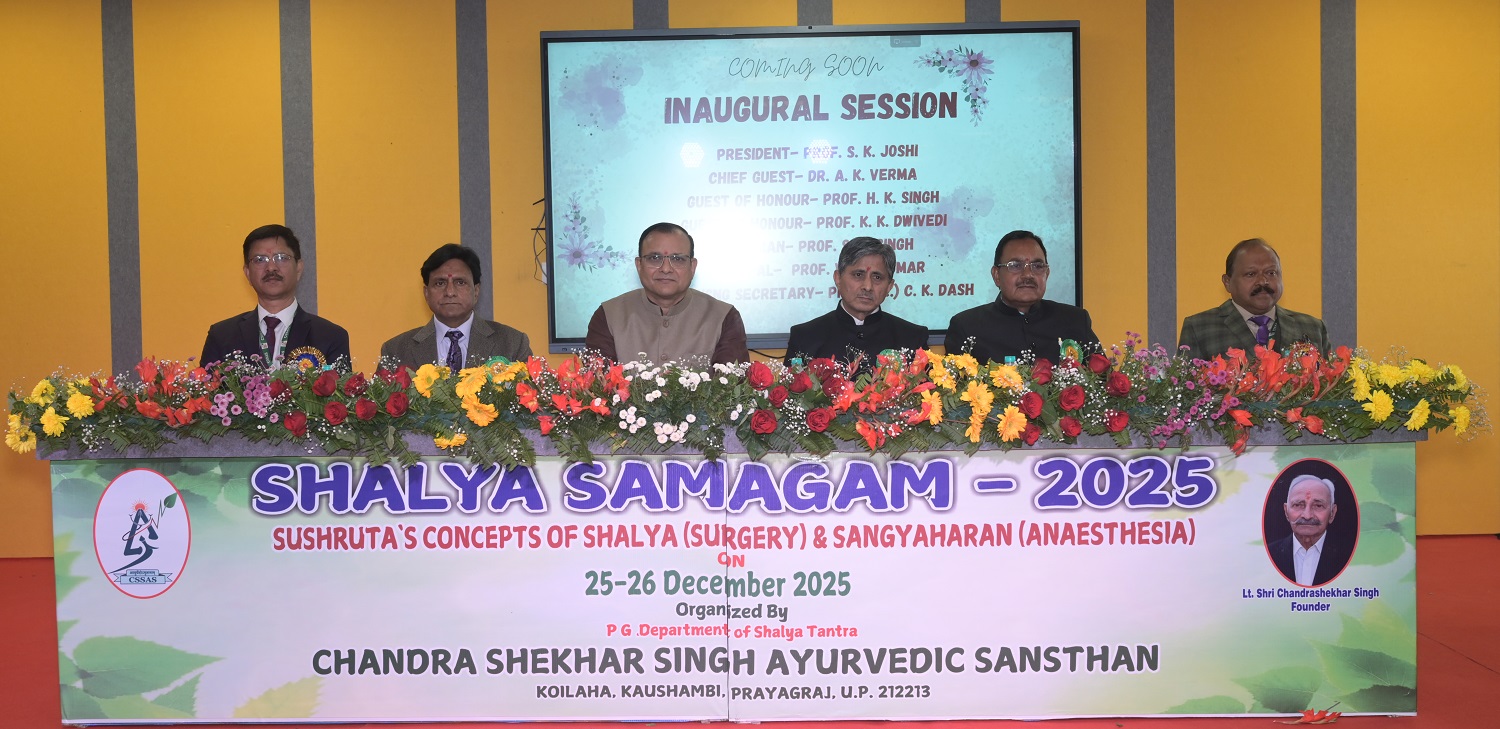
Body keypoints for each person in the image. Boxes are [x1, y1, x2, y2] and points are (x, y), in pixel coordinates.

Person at [585, 222, 748, 365]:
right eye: (654, 258)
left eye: (678, 259)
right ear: (639, 265)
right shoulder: (608, 315)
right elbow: (599, 385)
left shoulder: (724, 317)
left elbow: (732, 387)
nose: (665, 268)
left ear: (692, 267)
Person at [200, 224, 350, 369]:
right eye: (260, 260)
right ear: (247, 273)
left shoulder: (331, 336)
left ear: (298, 268)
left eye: (281, 258)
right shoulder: (221, 336)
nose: (271, 267)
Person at [942, 230, 1098, 364]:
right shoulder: (967, 327)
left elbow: (1102, 381)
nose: (1028, 275)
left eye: (1037, 266)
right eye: (1015, 266)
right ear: (996, 275)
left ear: (1047, 273)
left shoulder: (1075, 320)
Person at [784, 236, 928, 371]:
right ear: (838, 278)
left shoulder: (913, 339)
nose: (868, 287)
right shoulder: (805, 337)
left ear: (890, 286)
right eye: (858, 275)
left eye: (877, 277)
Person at [380, 244, 531, 370]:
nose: (450, 292)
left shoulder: (513, 344)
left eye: (460, 282)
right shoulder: (396, 351)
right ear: (426, 293)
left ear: (476, 291)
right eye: (440, 283)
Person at [1178, 238, 1331, 360]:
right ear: (1227, 282)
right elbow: (1188, 388)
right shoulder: (1199, 327)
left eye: (1271, 273)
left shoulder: (1312, 327)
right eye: (1251, 274)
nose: (1263, 281)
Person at [1268, 474, 1352, 587]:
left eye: (1318, 506)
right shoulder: (1268, 555)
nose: (1307, 516)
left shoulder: (1351, 557)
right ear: (1286, 511)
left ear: (1332, 513)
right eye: (1298, 505)